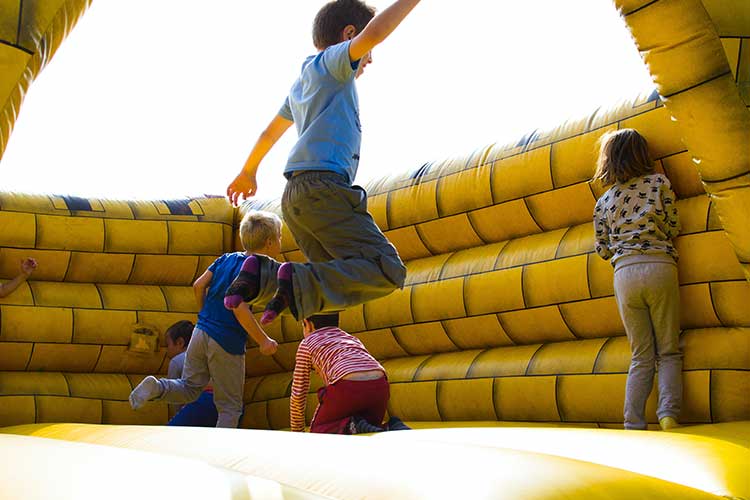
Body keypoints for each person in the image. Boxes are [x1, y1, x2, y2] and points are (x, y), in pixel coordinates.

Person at [224, 0, 420, 324]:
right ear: (349, 34)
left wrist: (248, 171)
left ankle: (268, 282)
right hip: (324, 189)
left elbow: (269, 133)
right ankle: (289, 281)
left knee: (325, 291)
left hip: (296, 197)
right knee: (386, 268)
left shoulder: (304, 83)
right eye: (368, 53)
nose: (369, 60)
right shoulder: (332, 64)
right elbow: (378, 32)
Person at [129, 211, 281, 428]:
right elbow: (238, 305)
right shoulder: (256, 269)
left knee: (189, 388)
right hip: (226, 339)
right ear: (269, 243)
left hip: (201, 332)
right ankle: (221, 452)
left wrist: (204, 316)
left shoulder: (226, 259)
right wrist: (263, 340)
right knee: (230, 406)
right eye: (280, 237)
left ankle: (157, 387)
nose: (281, 242)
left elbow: (198, 285)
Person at [592, 128, 682, 431]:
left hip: (625, 274)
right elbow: (673, 226)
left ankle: (633, 422)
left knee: (641, 354)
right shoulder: (659, 183)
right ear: (644, 155)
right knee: (668, 349)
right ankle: (668, 413)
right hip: (659, 266)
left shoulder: (604, 202)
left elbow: (602, 249)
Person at [289, 313, 409, 434]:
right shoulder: (350, 339)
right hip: (379, 386)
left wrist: (297, 432)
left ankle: (351, 426)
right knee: (369, 427)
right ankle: (391, 426)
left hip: (347, 387)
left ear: (307, 324)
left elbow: (298, 393)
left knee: (319, 432)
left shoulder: (307, 343)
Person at [164, 320, 219, 427]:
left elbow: (174, 397)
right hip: (225, 404)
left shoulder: (176, 361)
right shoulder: (210, 355)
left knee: (170, 434)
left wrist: (178, 417)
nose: (166, 350)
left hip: (202, 402)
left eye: (167, 345)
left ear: (180, 342)